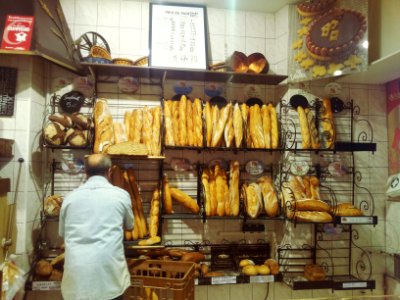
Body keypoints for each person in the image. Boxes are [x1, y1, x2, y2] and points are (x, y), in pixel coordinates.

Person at [59, 154, 134, 300]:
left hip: (77, 277)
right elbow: (130, 226)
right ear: (110, 171)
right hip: (109, 273)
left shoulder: (69, 198)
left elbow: (63, 233)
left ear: (85, 172)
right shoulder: (121, 196)